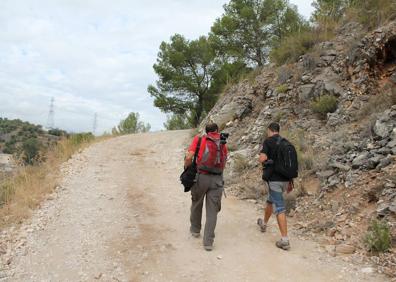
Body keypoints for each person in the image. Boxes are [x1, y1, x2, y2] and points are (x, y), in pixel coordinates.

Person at [184, 123, 228, 251]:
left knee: (197, 203)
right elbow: (224, 160)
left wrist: (187, 167)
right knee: (212, 211)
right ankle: (208, 242)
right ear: (217, 130)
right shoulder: (222, 142)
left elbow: (189, 156)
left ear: (206, 131)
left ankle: (195, 230)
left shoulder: (199, 139)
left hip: (200, 177)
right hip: (217, 180)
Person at [258, 122, 293, 250]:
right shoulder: (286, 143)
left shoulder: (268, 141)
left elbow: (262, 159)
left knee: (279, 208)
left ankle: (285, 240)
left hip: (274, 180)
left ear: (270, 130)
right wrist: (290, 181)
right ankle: (264, 223)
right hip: (286, 180)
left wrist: (265, 160)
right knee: (270, 200)